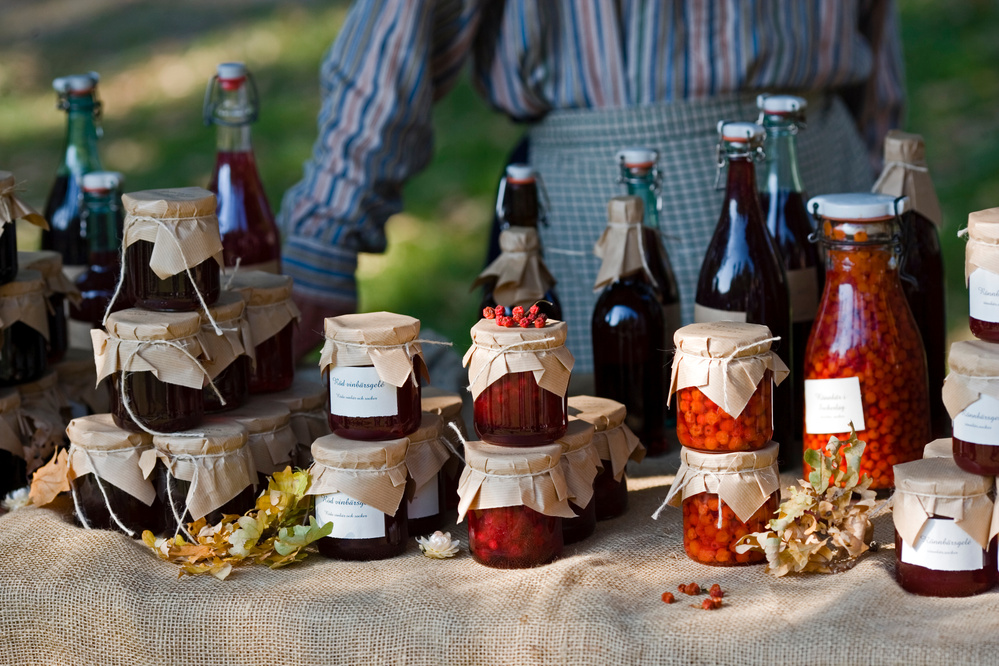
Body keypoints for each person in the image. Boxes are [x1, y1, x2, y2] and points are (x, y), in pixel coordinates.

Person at [280, 0, 904, 373]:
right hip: (586, 226)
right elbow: (402, 24)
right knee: (587, 462)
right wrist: (324, 236)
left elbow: (876, 34)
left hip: (815, 191)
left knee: (834, 458)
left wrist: (884, 214)